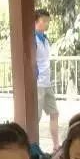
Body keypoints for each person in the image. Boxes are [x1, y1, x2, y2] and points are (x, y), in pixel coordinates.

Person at [35, 9, 59, 151]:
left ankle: (56, 145)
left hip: (47, 82)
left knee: (54, 112)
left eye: (47, 21)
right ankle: (34, 145)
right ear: (36, 22)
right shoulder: (33, 38)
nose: (46, 23)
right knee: (35, 118)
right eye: (43, 21)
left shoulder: (45, 39)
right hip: (38, 83)